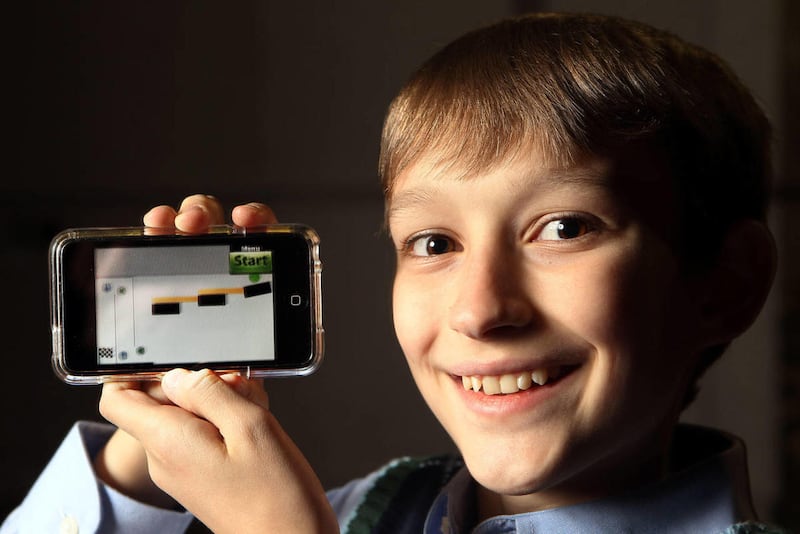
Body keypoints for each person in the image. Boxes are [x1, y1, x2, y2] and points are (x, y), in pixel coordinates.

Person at [2, 12, 786, 533]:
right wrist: (149, 444)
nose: (481, 310)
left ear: (726, 281)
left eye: (563, 228)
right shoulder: (375, 509)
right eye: (434, 243)